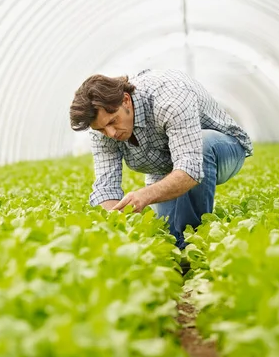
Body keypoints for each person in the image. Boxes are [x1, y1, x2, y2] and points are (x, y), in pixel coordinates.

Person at [69, 69, 253, 260]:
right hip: (168, 168)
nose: (111, 133)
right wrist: (115, 224)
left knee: (202, 145)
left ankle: (196, 245)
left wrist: (144, 195)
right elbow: (106, 188)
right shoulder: (103, 129)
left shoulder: (170, 100)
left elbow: (190, 167)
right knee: (170, 235)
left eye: (113, 121)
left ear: (125, 100)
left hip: (223, 149)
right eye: (101, 129)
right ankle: (181, 248)